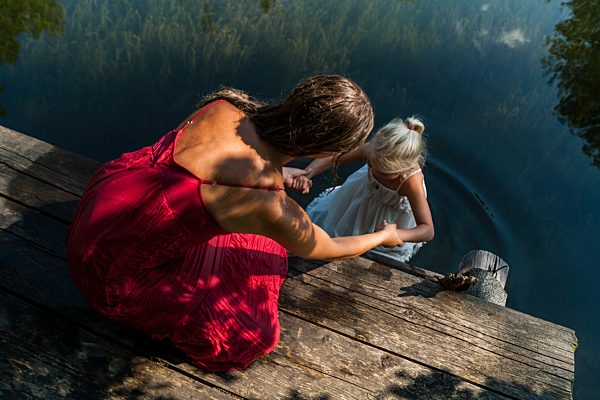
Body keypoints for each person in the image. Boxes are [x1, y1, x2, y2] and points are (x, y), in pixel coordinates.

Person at [66, 75, 403, 371]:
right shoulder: (265, 202)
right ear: (323, 148)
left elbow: (205, 167)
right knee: (255, 333)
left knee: (252, 234)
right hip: (109, 277)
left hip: (102, 208)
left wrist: (277, 172)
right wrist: (383, 235)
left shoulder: (225, 104)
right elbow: (330, 247)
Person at [300, 117, 434, 263]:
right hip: (360, 198)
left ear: (403, 170)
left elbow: (427, 230)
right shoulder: (374, 150)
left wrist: (395, 234)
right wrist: (308, 172)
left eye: (383, 172)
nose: (374, 171)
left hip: (388, 217)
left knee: (374, 256)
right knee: (335, 233)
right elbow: (335, 156)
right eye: (371, 164)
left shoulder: (411, 181)